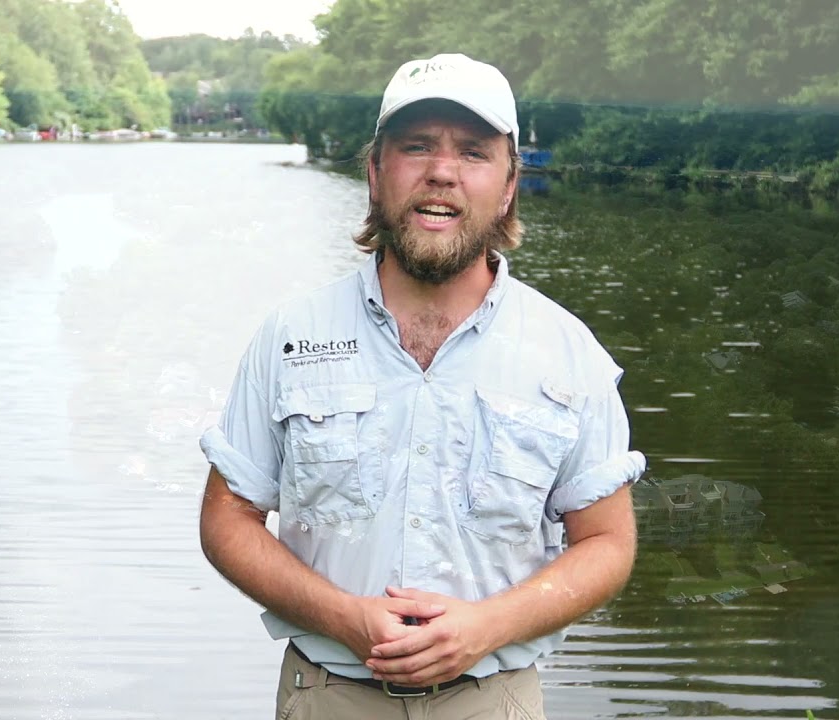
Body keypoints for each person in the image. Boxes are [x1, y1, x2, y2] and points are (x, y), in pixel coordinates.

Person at [197, 53, 646, 719]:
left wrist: (488, 627)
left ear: (509, 184)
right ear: (376, 172)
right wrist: (345, 617)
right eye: (417, 147)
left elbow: (608, 542)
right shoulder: (290, 336)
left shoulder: (569, 353)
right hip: (327, 698)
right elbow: (227, 520)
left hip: (495, 701)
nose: (442, 171)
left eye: (473, 151)